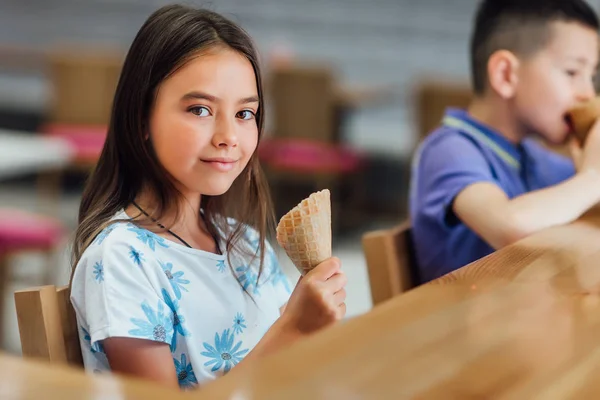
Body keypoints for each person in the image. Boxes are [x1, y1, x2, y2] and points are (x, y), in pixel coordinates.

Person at [70, 4, 347, 389]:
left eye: (245, 114)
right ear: (140, 118)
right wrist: (294, 328)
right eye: (200, 109)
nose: (228, 136)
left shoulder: (245, 242)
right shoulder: (123, 260)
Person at [410, 0, 600, 282]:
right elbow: (509, 226)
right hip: (462, 323)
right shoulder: (449, 149)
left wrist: (586, 161)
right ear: (505, 74)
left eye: (593, 77)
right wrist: (593, 175)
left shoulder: (532, 157)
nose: (588, 93)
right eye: (573, 72)